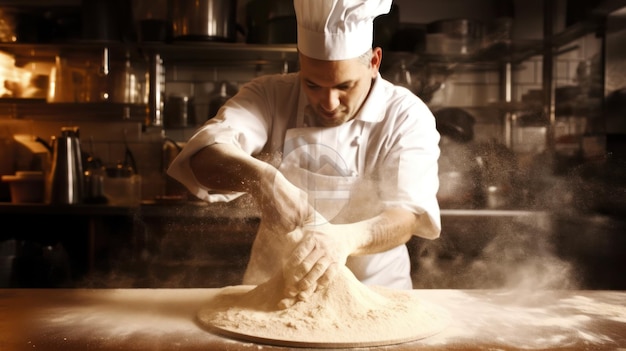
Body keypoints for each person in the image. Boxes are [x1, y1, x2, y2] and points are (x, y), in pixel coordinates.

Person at [167, 0, 441, 298]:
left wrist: (343, 240)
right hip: (273, 293)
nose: (328, 102)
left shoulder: (406, 115)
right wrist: (262, 180)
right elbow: (203, 158)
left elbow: (408, 215)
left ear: (374, 62)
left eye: (344, 86)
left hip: (376, 294)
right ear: (300, 60)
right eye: (312, 85)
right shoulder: (270, 95)